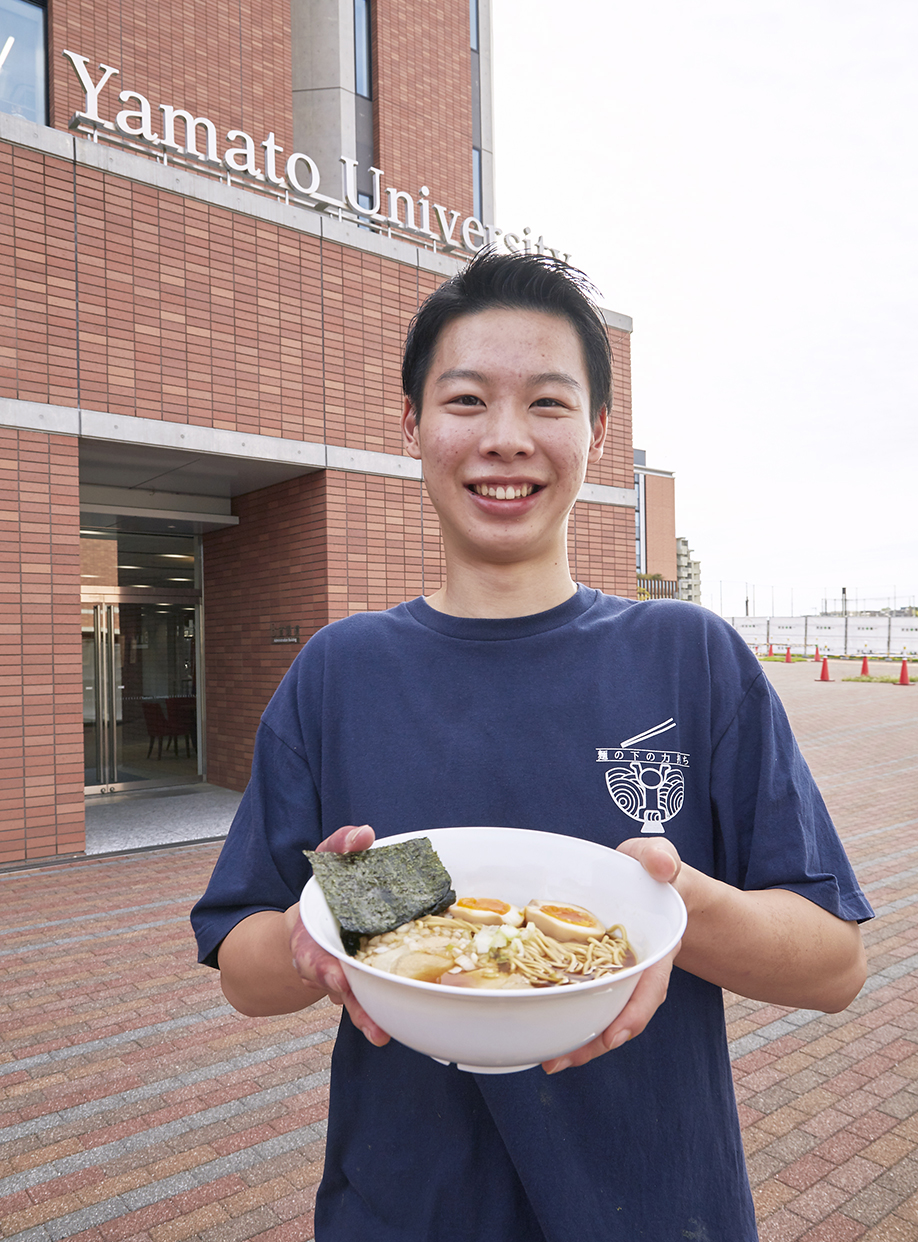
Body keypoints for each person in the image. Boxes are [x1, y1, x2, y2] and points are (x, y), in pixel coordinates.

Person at [192, 250, 871, 1241]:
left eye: (547, 404)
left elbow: (835, 965)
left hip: (659, 1209)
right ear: (414, 425)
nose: (505, 440)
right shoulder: (344, 673)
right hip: (402, 1214)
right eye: (466, 400)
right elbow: (245, 966)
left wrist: (667, 906)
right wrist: (323, 936)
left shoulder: (687, 655)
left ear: (596, 433)